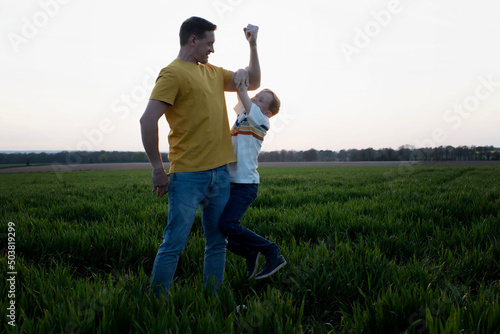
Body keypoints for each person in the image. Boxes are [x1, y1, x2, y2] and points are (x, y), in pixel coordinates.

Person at [140, 16, 261, 297]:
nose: (213, 50)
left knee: (217, 242)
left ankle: (212, 299)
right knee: (174, 243)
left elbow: (253, 81)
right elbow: (147, 121)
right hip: (186, 176)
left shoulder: (214, 72)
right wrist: (158, 168)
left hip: (220, 173)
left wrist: (253, 46)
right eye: (209, 43)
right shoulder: (172, 73)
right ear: (193, 41)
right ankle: (157, 304)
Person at [218, 77, 286, 280]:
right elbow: (241, 101)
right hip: (230, 181)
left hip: (245, 184)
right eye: (256, 96)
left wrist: (243, 85)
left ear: (268, 113)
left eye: (261, 99)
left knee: (228, 225)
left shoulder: (261, 120)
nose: (255, 99)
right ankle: (249, 252)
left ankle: (272, 252)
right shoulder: (244, 114)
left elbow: (244, 97)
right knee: (217, 228)